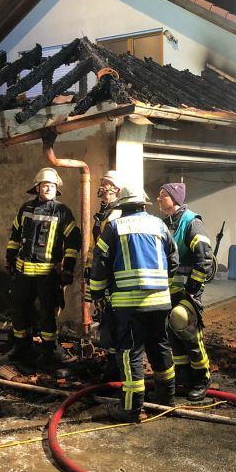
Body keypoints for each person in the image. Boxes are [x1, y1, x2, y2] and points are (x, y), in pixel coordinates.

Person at [89, 185, 179, 422]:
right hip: (160, 302)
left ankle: (131, 408)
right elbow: (174, 259)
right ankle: (166, 399)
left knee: (131, 353)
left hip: (129, 304)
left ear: (122, 205)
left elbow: (100, 263)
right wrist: (162, 285)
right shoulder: (159, 225)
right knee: (160, 347)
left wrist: (96, 294)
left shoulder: (114, 227)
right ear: (142, 204)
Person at [5, 167, 81, 371]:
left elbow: (73, 241)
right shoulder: (26, 208)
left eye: (52, 186)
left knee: (47, 313)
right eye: (45, 185)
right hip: (23, 273)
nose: (49, 189)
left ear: (57, 190)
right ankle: (22, 347)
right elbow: (15, 235)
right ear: (37, 187)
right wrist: (10, 259)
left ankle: (48, 351)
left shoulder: (62, 212)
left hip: (47, 275)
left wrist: (68, 268)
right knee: (19, 311)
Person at [157, 182, 214, 401]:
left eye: (163, 194)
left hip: (187, 291)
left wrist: (193, 288)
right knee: (172, 332)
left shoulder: (192, 222)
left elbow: (204, 257)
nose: (158, 198)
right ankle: (183, 374)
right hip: (169, 290)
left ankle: (202, 378)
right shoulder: (165, 223)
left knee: (186, 328)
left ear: (175, 198)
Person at [84, 170, 123, 381]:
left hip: (112, 275)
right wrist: (89, 267)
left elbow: (109, 248)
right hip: (101, 271)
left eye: (106, 182)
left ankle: (116, 366)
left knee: (113, 320)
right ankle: (111, 360)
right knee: (105, 318)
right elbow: (95, 246)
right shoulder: (104, 212)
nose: (102, 185)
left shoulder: (117, 213)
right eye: (102, 182)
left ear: (116, 189)